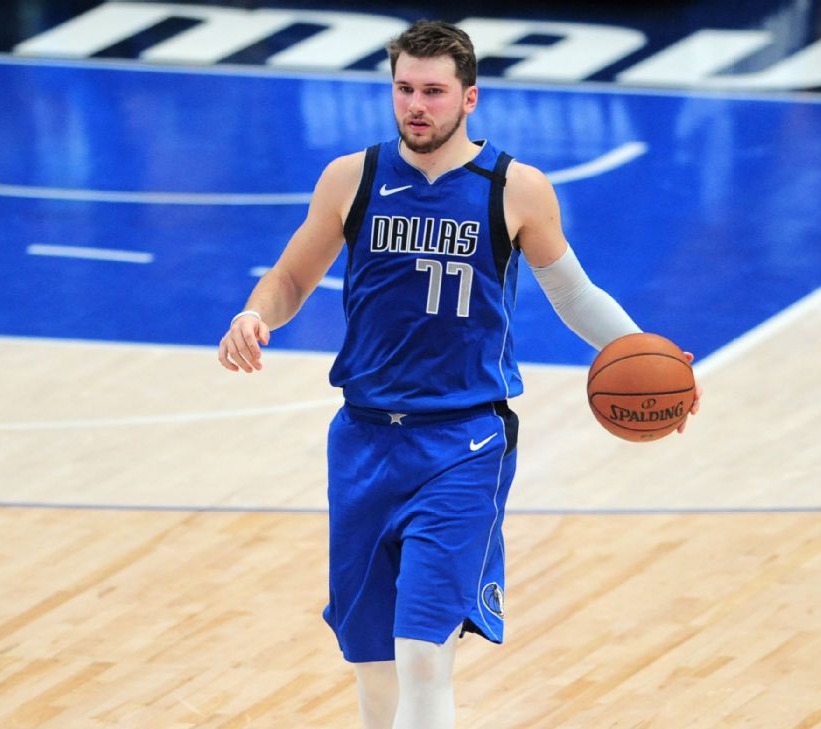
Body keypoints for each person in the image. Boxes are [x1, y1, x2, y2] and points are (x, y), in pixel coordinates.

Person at [217, 19, 701, 729]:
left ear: (469, 98)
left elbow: (572, 293)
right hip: (362, 438)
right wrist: (255, 314)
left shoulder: (515, 188)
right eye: (405, 89)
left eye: (434, 92)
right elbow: (291, 276)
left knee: (422, 649)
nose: (416, 104)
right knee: (373, 660)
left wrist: (647, 352)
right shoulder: (352, 178)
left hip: (464, 441)